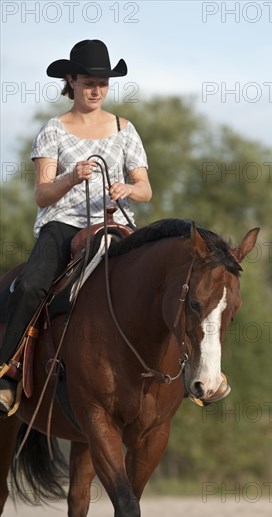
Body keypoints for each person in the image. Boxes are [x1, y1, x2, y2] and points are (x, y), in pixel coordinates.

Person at [0, 39, 152, 414]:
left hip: (114, 223)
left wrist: (129, 187)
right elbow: (41, 194)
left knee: (161, 279)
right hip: (63, 224)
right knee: (32, 284)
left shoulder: (124, 128)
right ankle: (7, 371)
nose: (96, 89)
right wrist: (70, 177)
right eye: (88, 82)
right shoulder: (53, 130)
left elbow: (146, 189)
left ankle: (166, 372)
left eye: (102, 82)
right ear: (71, 81)